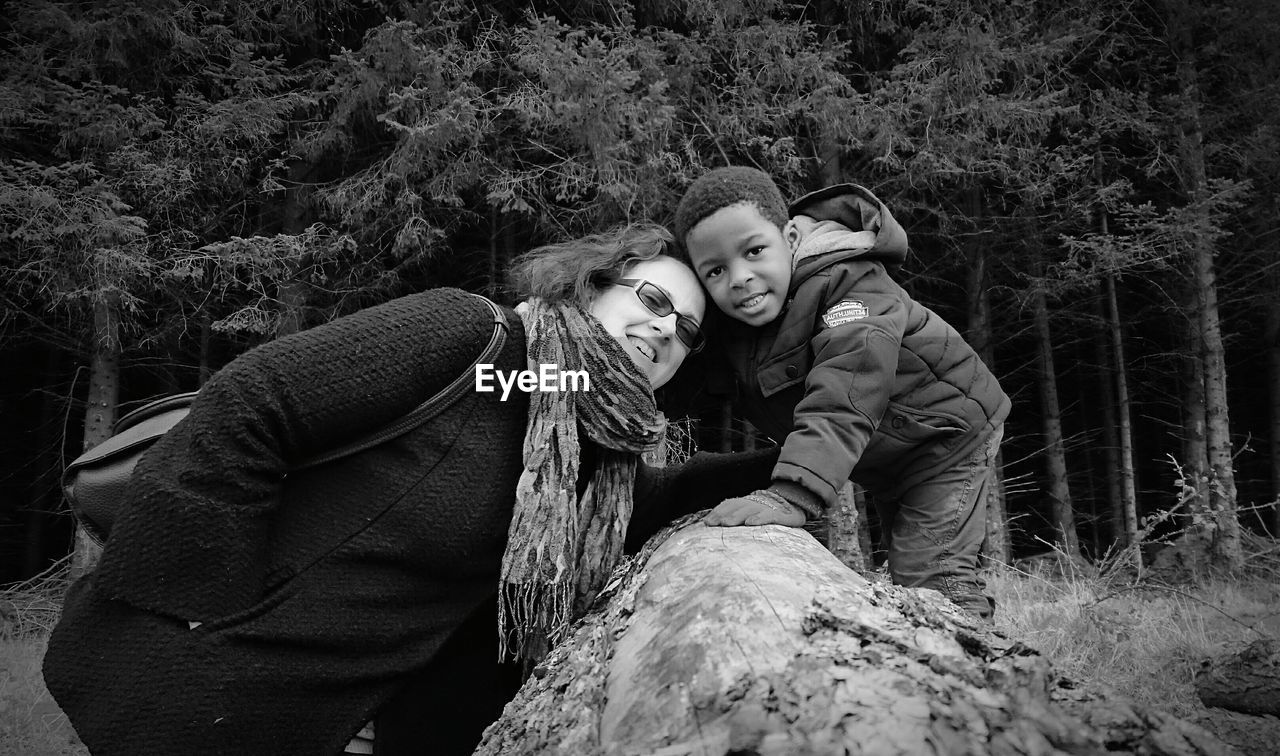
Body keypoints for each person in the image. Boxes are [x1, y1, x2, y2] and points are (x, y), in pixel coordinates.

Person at [42, 222, 780, 755]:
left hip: (325, 725)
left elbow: (665, 494)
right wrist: (203, 607)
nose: (665, 331)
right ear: (596, 280)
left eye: (686, 330)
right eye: (652, 299)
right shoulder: (483, 343)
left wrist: (811, 456)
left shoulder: (591, 449)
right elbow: (252, 401)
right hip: (195, 683)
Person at [671, 166, 1010, 620]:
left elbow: (846, 392)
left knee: (932, 580)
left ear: (790, 238)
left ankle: (984, 672)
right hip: (890, 452)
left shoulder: (851, 284)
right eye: (716, 270)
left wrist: (791, 494)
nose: (740, 277)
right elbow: (685, 388)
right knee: (914, 565)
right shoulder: (738, 327)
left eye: (754, 251)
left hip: (945, 439)